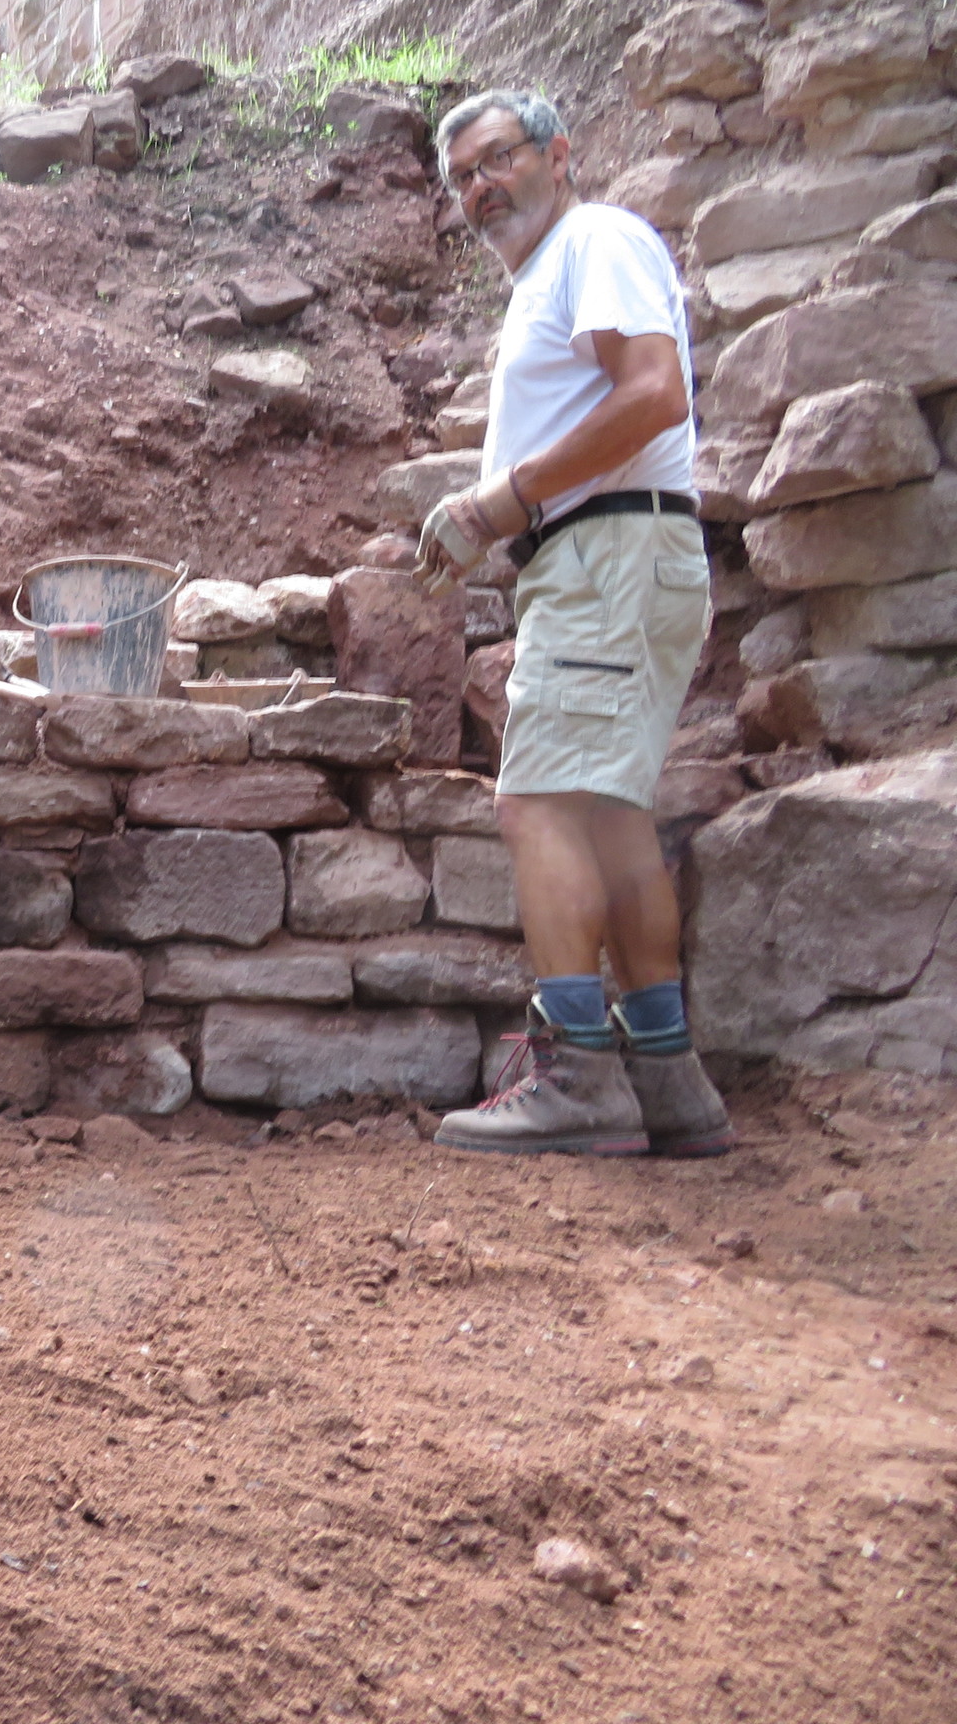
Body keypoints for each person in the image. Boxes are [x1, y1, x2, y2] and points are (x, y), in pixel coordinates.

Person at [416, 88, 731, 1161]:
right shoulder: (558, 269)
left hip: (607, 556)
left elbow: (652, 395)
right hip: (619, 554)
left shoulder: (594, 239)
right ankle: (668, 1082)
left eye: (497, 158)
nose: (481, 187)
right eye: (462, 177)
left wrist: (498, 504)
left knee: (537, 805)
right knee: (607, 817)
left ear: (558, 154)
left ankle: (580, 1076)